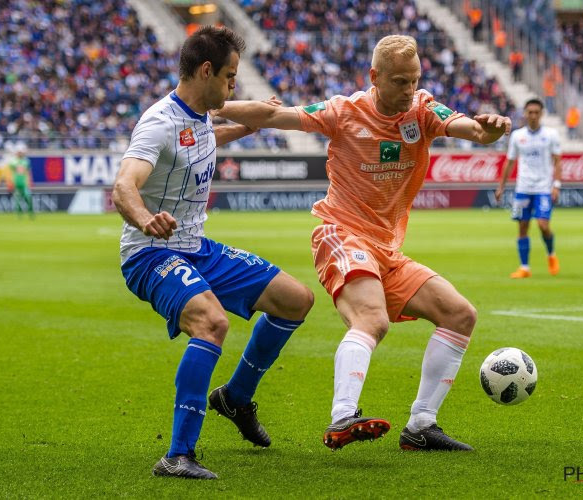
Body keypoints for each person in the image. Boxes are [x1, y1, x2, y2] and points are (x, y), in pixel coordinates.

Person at [216, 35, 512, 451]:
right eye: (398, 82)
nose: (408, 91)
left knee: (460, 314)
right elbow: (275, 116)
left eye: (413, 80)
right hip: (341, 233)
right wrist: (212, 106)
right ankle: (342, 417)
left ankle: (421, 427)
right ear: (374, 77)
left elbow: (466, 128)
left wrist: (486, 130)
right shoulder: (344, 111)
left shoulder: (423, 109)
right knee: (373, 321)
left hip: (386, 250)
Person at [112, 26, 314, 480]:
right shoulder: (158, 122)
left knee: (295, 299)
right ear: (206, 71)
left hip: (197, 249)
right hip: (150, 253)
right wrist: (146, 219)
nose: (233, 86)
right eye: (229, 76)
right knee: (212, 322)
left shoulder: (201, 113)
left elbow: (202, 139)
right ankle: (178, 455)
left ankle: (235, 398)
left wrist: (244, 126)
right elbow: (124, 185)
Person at [495, 97, 562, 279]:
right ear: (525, 114)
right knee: (522, 227)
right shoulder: (517, 136)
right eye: (530, 112)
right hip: (523, 188)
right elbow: (509, 163)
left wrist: (556, 185)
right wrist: (501, 186)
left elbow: (557, 162)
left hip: (543, 188)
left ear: (541, 114)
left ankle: (551, 254)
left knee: (543, 225)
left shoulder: (551, 135)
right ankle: (524, 267)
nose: (533, 116)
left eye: (536, 112)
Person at [7, 143, 34, 218]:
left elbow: (28, 172)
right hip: (16, 182)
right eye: (19, 152)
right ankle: (19, 214)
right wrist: (10, 182)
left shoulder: (26, 161)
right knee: (18, 199)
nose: (20, 153)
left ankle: (30, 212)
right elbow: (10, 173)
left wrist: (30, 181)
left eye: (21, 152)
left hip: (24, 182)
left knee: (28, 197)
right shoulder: (13, 161)